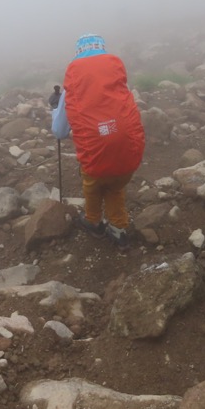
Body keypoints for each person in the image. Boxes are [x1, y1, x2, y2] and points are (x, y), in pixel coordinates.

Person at [51, 34, 145, 249]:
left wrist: (55, 109)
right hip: (129, 154)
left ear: (78, 55)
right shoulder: (119, 83)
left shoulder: (72, 88)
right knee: (115, 187)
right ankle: (119, 230)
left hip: (95, 156)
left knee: (93, 187)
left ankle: (93, 221)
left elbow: (59, 131)